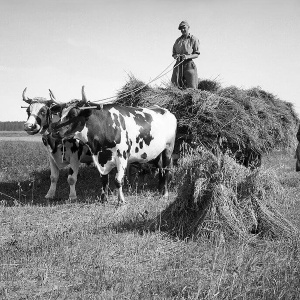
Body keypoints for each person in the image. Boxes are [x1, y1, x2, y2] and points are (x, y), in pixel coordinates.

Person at [171, 20, 200, 89]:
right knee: (174, 86)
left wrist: (187, 56)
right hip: (178, 64)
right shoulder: (178, 40)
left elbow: (196, 54)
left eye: (184, 28)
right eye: (181, 28)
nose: (182, 30)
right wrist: (176, 56)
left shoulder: (193, 39)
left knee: (192, 88)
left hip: (189, 64)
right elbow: (174, 53)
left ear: (188, 27)